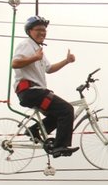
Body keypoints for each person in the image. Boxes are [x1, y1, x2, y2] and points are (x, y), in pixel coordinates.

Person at [12, 16, 78, 157]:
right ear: (30, 31)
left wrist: (66, 61)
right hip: (30, 91)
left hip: (36, 92)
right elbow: (15, 63)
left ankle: (34, 131)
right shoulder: (26, 45)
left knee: (58, 115)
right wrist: (34, 58)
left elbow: (49, 69)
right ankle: (60, 147)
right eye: (39, 30)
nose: (43, 33)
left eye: (44, 30)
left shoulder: (38, 49)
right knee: (67, 110)